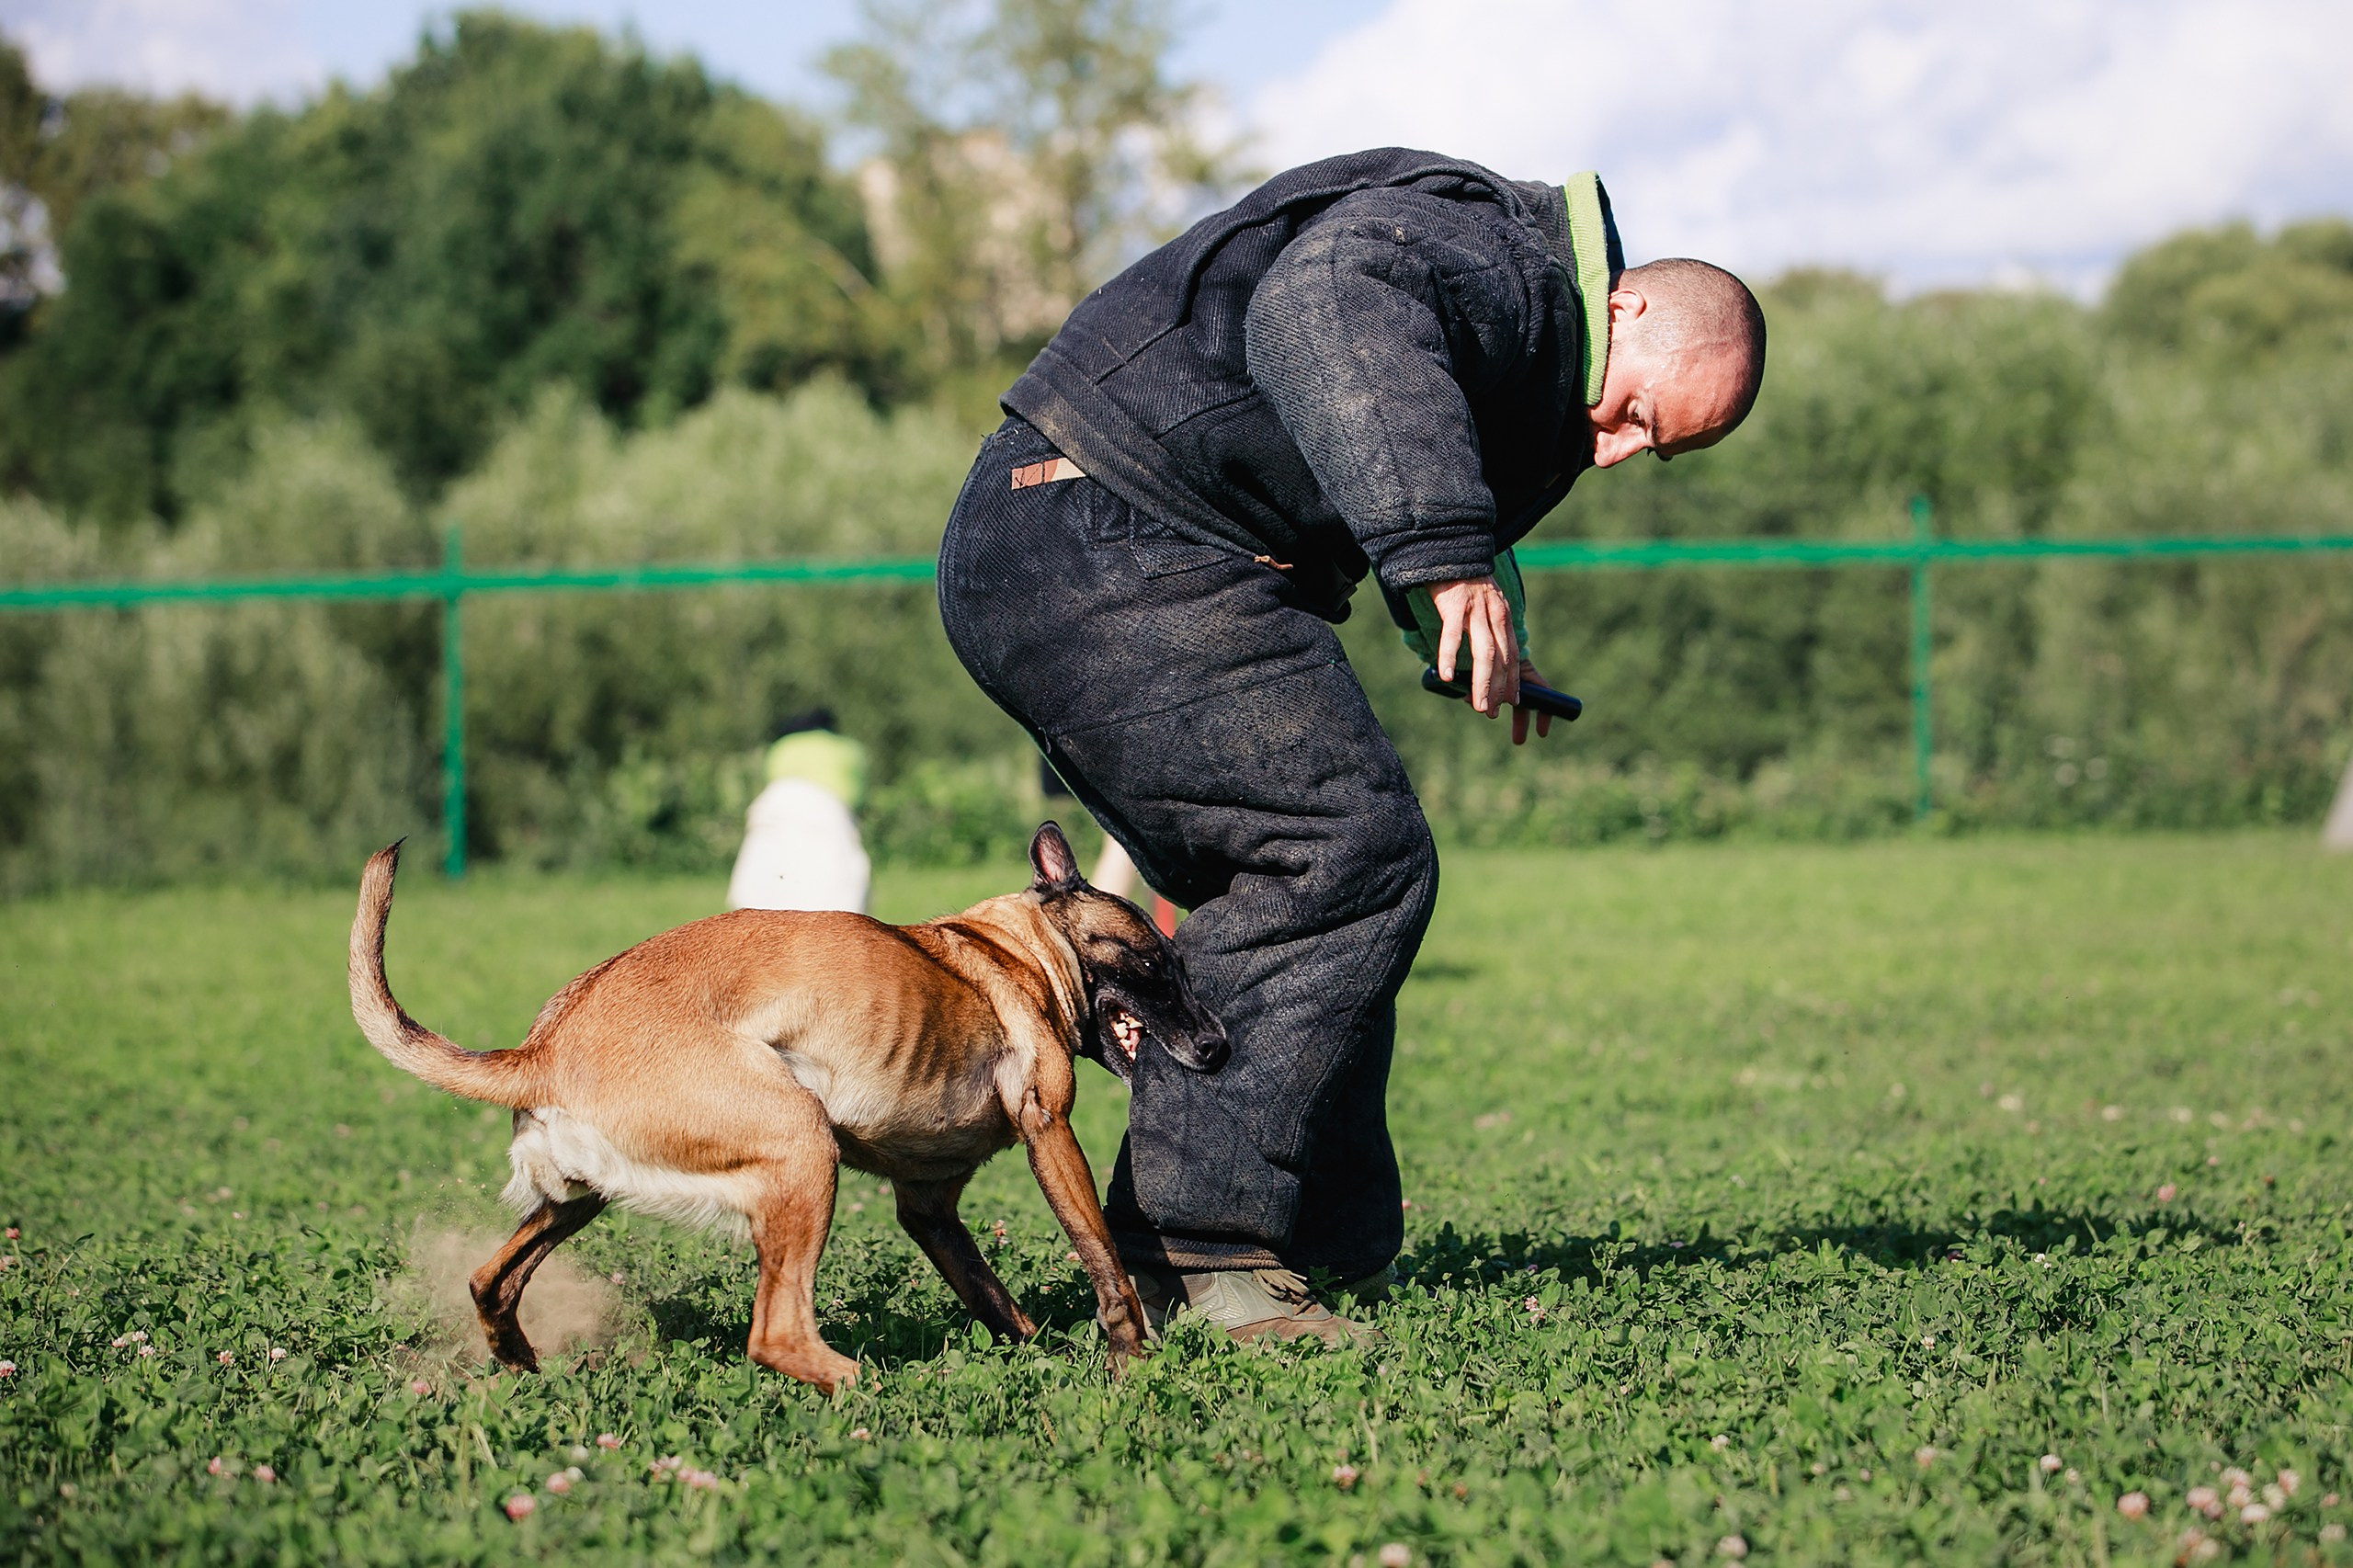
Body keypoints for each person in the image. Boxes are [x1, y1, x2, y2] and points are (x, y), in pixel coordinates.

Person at [936, 148, 1766, 1344]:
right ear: (1625, 306)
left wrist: (1492, 623)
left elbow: (1397, 429)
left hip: (1086, 541)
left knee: (1332, 865)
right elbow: (1323, 308)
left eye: (1657, 451)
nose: (1619, 450)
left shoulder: (1534, 347)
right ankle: (1200, 1246)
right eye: (1642, 415)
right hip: (1103, 530)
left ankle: (1303, 1244)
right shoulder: (1496, 256)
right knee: (1338, 849)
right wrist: (1439, 547)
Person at [726, 709, 871, 914]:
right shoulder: (849, 749)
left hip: (774, 806)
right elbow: (856, 794)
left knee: (768, 873)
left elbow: (772, 778)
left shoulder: (781, 747)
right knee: (837, 878)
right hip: (827, 809)